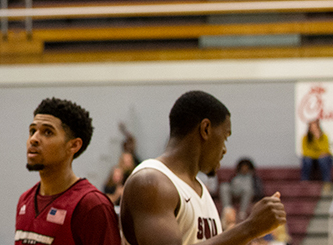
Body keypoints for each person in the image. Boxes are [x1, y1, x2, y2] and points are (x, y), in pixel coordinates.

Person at [120, 91, 286, 245]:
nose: (224, 149)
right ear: (205, 129)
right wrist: (250, 228)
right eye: (225, 137)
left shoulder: (200, 190)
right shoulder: (151, 183)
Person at [15, 98, 119, 245]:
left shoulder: (92, 206)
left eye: (47, 132)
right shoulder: (24, 201)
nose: (34, 139)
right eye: (32, 131)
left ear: (74, 145)